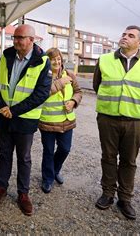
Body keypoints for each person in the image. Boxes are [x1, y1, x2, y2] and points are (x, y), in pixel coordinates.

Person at [93, 25, 140, 220]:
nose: (124, 37)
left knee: (129, 161)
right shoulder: (105, 59)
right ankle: (107, 194)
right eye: (123, 34)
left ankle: (125, 198)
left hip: (135, 121)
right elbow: (97, 85)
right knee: (108, 157)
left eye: (130, 36)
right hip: (108, 118)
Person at [0, 24, 51, 216]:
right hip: (4, 117)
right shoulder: (6, 55)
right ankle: (1, 187)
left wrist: (13, 111)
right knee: (4, 154)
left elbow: (41, 93)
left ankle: (23, 194)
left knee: (24, 158)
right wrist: (1, 107)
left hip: (24, 119)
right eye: (14, 37)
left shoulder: (42, 61)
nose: (15, 41)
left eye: (20, 37)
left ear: (31, 40)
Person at [38, 48, 82, 193]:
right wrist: (61, 83)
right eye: (53, 59)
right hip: (48, 120)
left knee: (65, 149)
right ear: (48, 61)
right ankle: (47, 179)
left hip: (67, 121)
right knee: (48, 151)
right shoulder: (43, 75)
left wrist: (74, 102)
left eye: (58, 59)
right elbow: (42, 94)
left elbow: (78, 92)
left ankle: (55, 170)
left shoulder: (69, 74)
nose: (56, 62)